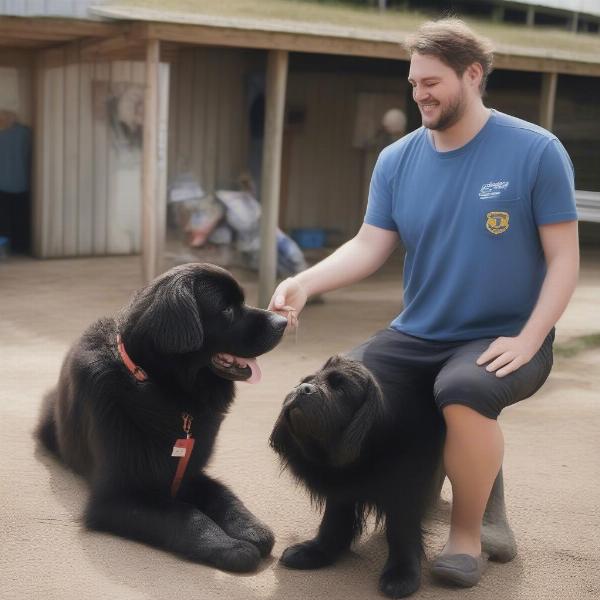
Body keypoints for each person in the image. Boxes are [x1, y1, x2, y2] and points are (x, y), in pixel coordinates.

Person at [268, 18, 579, 588]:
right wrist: (305, 283)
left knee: (462, 390)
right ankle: (342, 524)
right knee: (341, 387)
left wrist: (531, 337)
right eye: (414, 83)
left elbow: (564, 260)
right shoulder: (397, 160)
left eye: (432, 82)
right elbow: (369, 245)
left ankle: (468, 533)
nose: (420, 95)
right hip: (418, 332)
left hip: (505, 334)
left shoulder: (537, 152)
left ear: (473, 74)